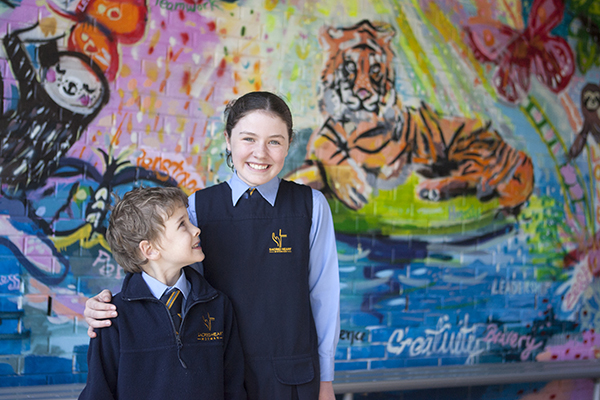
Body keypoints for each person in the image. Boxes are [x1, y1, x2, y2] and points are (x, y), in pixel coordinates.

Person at [84, 91, 341, 400]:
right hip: (215, 377)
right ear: (228, 139)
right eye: (248, 139)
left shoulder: (311, 205)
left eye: (275, 141)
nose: (261, 153)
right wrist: (109, 307)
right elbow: (170, 283)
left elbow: (324, 298)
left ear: (288, 144)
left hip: (292, 379)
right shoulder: (197, 207)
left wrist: (326, 379)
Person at [79, 186, 246, 400]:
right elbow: (98, 393)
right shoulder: (113, 317)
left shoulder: (218, 306)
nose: (196, 230)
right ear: (150, 250)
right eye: (182, 225)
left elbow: (233, 388)